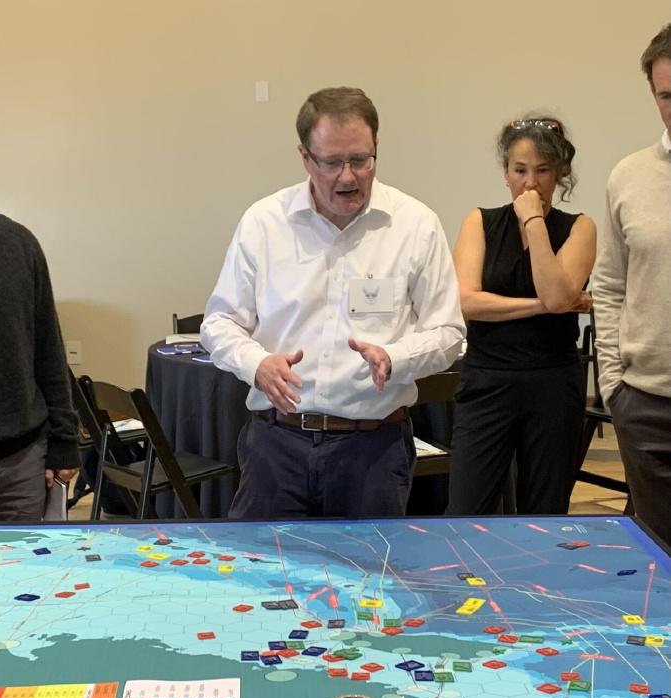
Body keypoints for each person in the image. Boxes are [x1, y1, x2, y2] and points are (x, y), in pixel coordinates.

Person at [202, 86, 465, 520]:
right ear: (305, 157)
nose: (347, 177)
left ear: (376, 149)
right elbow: (219, 322)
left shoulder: (415, 225)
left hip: (373, 449)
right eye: (331, 162)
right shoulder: (264, 223)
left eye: (360, 160)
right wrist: (257, 364)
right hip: (276, 445)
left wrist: (396, 357)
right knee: (262, 562)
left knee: (370, 566)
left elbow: (448, 332)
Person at [446, 115, 596, 516]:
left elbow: (557, 293)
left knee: (544, 511)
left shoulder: (580, 228)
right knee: (465, 508)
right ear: (505, 173)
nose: (531, 184)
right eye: (520, 170)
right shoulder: (480, 221)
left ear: (559, 174)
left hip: (552, 381)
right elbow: (467, 303)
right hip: (487, 379)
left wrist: (533, 221)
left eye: (543, 171)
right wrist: (543, 306)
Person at [592, 24, 671, 546]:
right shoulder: (629, 176)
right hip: (646, 406)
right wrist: (613, 386)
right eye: (666, 96)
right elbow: (608, 285)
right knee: (658, 559)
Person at [0, 110, 79, 521]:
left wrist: (64, 441)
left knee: (23, 565)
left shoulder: (20, 245)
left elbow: (49, 352)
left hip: (23, 460)